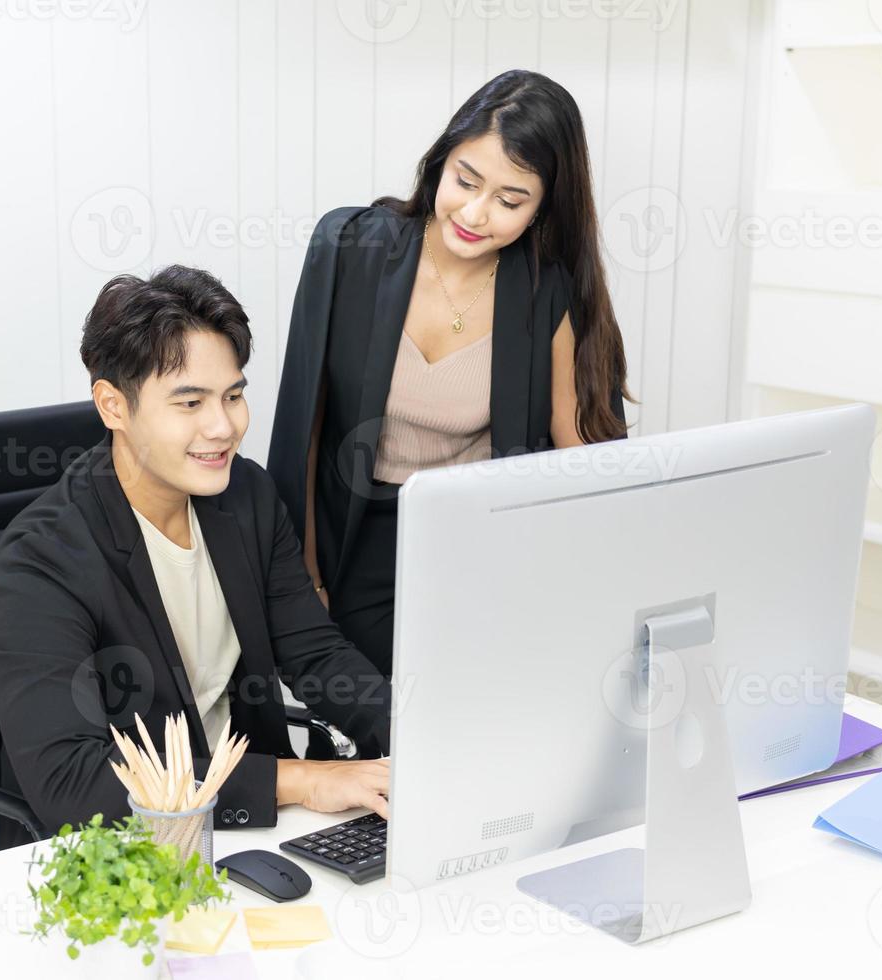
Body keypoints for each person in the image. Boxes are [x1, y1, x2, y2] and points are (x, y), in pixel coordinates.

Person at [0, 265, 392, 849]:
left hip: (243, 828)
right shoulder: (42, 561)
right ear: (113, 406)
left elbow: (316, 655)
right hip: (122, 849)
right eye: (190, 402)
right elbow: (70, 782)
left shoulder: (245, 496)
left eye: (233, 395)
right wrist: (299, 779)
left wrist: (417, 742)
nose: (223, 426)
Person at [268, 69, 634, 679]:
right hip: (353, 542)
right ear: (440, 162)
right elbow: (304, 428)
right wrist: (302, 581)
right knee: (382, 722)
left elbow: (586, 464)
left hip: (480, 549)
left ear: (544, 209)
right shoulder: (349, 247)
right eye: (465, 180)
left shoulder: (548, 295)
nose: (475, 212)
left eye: (511, 201)